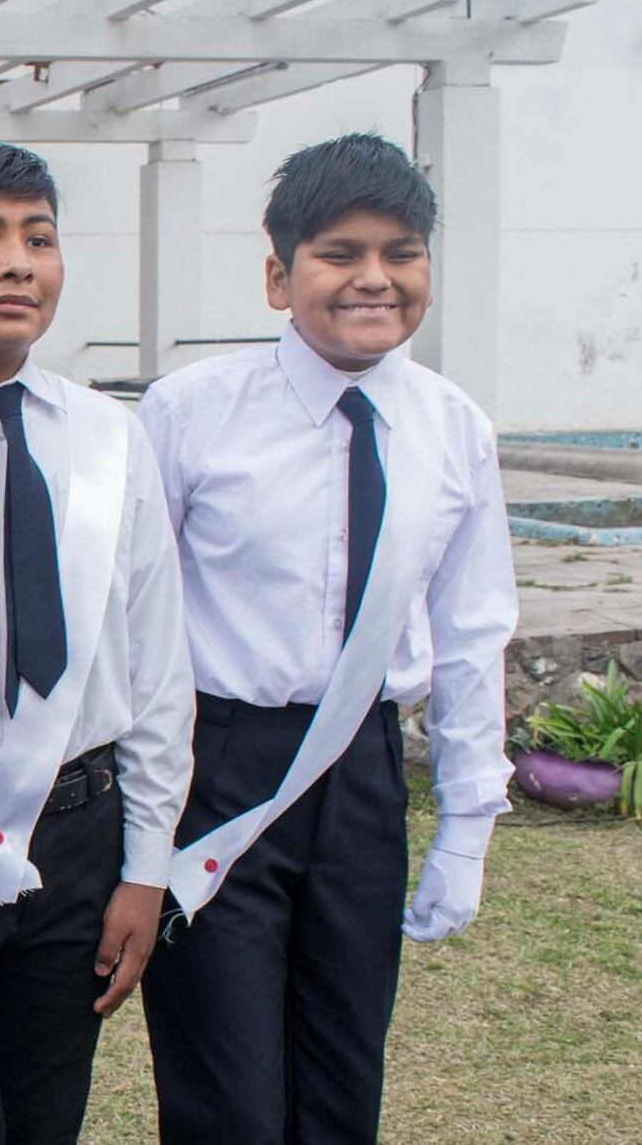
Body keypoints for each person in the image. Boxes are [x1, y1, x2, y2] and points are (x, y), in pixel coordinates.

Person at [136, 132, 518, 1145]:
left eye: (399, 252)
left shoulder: (451, 428)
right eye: (338, 253)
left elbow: (472, 630)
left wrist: (467, 827)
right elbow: (129, 617)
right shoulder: (189, 414)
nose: (372, 279)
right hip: (214, 766)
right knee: (225, 1094)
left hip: (361, 775)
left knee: (342, 1075)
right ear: (278, 274)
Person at [0, 141, 195, 1145]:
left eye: (37, 238)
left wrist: (143, 867)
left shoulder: (110, 436)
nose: (15, 263)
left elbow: (155, 668)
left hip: (74, 834)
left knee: (42, 1114)